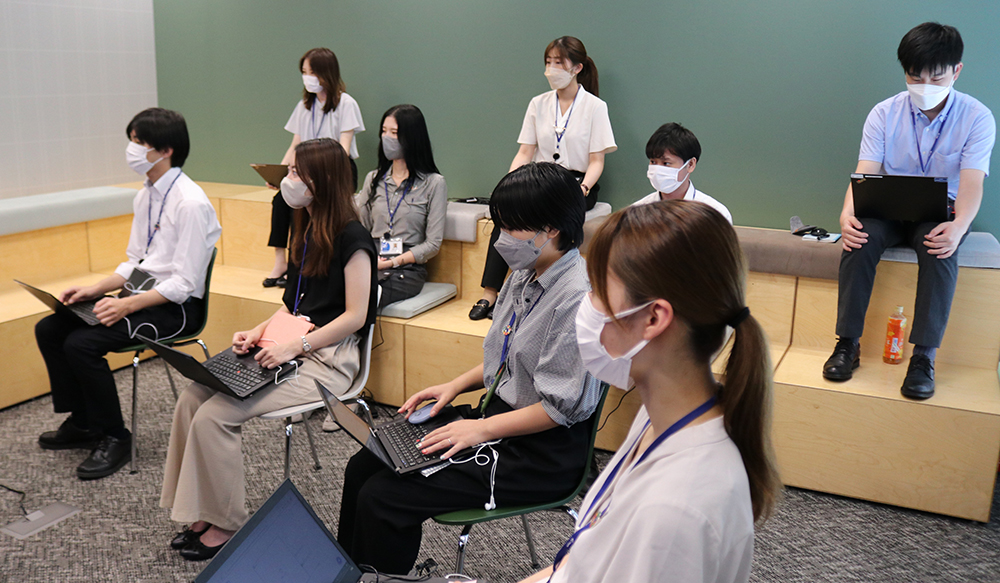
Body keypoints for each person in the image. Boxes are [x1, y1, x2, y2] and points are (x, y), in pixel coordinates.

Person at [337, 163, 603, 574]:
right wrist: (453, 386)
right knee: (365, 464)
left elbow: (558, 410)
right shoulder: (525, 273)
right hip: (496, 421)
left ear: (550, 229)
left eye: (510, 228)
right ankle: (350, 574)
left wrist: (476, 429)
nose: (500, 240)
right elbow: (507, 359)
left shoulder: (576, 300)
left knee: (384, 498)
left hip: (540, 455)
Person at [519, 201, 781, 583]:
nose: (586, 306)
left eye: (597, 292)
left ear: (654, 319)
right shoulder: (665, 415)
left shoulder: (677, 509)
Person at [160, 138, 377, 561]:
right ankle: (201, 509)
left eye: (297, 172)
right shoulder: (307, 227)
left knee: (216, 416)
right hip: (287, 347)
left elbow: (355, 316)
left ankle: (228, 522)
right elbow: (291, 305)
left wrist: (295, 345)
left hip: (328, 363)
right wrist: (256, 332)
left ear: (325, 180)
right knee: (191, 399)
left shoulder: (354, 239)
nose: (288, 179)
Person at [34, 108, 220, 480]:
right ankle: (84, 421)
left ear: (165, 150)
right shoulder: (146, 196)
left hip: (176, 308)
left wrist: (126, 304)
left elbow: (184, 285)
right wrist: (96, 289)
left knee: (81, 344)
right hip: (140, 294)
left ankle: (115, 436)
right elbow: (137, 260)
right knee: (50, 328)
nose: (131, 149)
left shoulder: (191, 203)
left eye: (139, 142)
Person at [822, 22, 995, 400]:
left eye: (936, 76)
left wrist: (960, 225)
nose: (925, 85)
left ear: (957, 70)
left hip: (939, 211)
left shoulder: (977, 117)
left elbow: (971, 184)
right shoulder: (884, 113)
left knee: (940, 247)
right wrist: (846, 214)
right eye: (915, 76)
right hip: (887, 206)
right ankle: (847, 344)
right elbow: (865, 171)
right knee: (858, 239)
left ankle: (923, 357)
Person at [469, 36, 616, 320]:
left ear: (577, 68)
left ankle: (539, 294)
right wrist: (510, 186)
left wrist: (583, 187)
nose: (551, 69)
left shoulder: (595, 107)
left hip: (576, 184)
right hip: (539, 180)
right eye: (548, 62)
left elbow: (597, 161)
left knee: (537, 218)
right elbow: (525, 152)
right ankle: (490, 294)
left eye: (558, 63)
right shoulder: (538, 104)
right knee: (508, 215)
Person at [263, 47, 365, 288]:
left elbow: (344, 148)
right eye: (304, 72)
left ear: (325, 73)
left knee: (314, 204)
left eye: (311, 72)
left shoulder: (346, 104)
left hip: (337, 170)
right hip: (305, 170)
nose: (307, 77)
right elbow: (295, 144)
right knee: (281, 200)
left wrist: (323, 174)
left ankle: (309, 263)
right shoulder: (305, 105)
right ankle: (282, 262)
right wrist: (281, 172)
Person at [356, 104, 447, 308]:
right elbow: (361, 228)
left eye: (394, 133)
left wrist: (392, 262)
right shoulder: (373, 179)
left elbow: (432, 244)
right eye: (384, 131)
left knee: (365, 296)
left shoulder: (434, 183)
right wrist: (368, 258)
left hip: (407, 269)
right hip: (371, 259)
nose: (386, 138)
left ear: (412, 137)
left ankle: (352, 341)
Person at [632, 122, 733, 224]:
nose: (658, 169)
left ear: (690, 165)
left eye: (666, 163)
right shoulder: (636, 214)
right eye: (653, 162)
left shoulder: (715, 214)